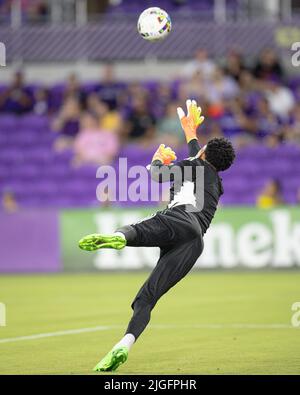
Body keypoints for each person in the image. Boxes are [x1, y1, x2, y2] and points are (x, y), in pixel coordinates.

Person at [78, 99, 236, 372]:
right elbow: (199, 157)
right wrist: (191, 134)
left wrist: (157, 160)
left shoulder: (191, 166)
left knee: (137, 230)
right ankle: (124, 344)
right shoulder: (216, 182)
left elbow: (157, 176)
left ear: (205, 154)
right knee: (147, 299)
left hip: (177, 218)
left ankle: (120, 238)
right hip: (194, 241)